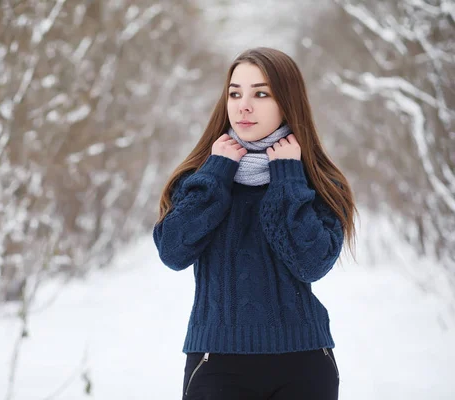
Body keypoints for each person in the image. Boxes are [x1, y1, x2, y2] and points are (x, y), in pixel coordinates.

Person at [152, 47, 357, 400]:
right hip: (216, 363)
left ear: (287, 102)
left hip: (304, 364)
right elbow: (172, 251)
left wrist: (289, 177)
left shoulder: (317, 182)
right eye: (235, 93)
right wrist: (217, 173)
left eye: (260, 93)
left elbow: (311, 264)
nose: (243, 105)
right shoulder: (201, 178)